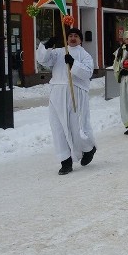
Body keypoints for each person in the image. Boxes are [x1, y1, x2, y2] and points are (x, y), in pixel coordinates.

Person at [35, 27, 96, 175]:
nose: (73, 38)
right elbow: (42, 59)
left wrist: (74, 64)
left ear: (80, 39)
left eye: (76, 36)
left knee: (76, 127)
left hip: (76, 93)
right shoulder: (58, 52)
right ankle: (65, 161)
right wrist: (48, 45)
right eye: (70, 36)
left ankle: (88, 148)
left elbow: (87, 73)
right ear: (66, 38)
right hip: (57, 92)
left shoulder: (85, 55)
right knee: (58, 128)